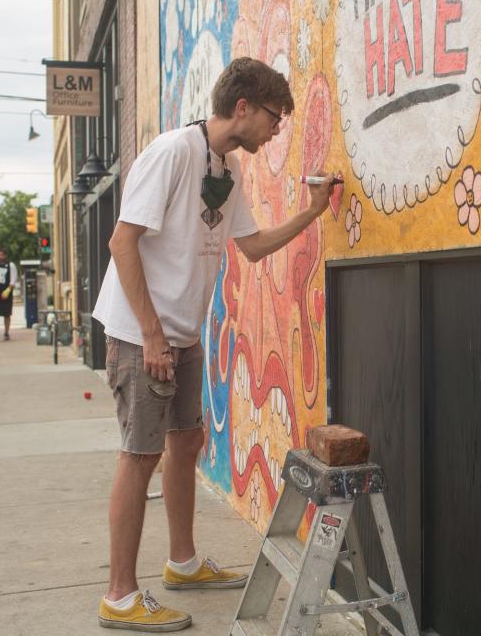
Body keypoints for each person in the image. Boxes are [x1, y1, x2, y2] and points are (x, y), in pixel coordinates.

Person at [91, 57, 335, 632]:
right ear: (243, 107)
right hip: (141, 333)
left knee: (186, 442)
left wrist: (312, 213)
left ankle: (182, 562)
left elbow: (250, 246)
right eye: (275, 119)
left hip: (181, 333)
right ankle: (119, 596)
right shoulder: (174, 151)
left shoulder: (225, 164)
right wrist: (152, 334)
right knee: (140, 455)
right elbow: (121, 241)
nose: (278, 130)